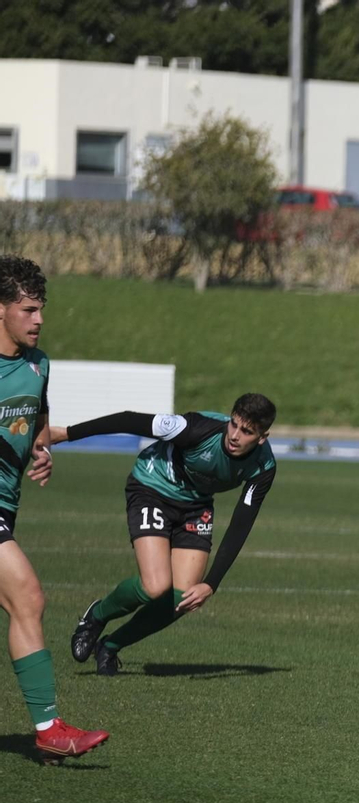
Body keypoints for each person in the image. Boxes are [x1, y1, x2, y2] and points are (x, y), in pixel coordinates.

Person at [49, 394, 278, 676]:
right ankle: (96, 616)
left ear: (262, 437)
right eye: (233, 424)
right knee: (155, 586)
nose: (234, 435)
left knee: (184, 597)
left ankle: (110, 646)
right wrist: (66, 433)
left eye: (246, 432)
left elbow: (241, 524)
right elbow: (128, 419)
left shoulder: (264, 468)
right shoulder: (196, 427)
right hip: (152, 488)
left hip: (196, 506)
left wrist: (212, 584)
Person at [0, 255, 108, 760]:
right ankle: (49, 729)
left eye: (41, 309)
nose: (38, 320)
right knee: (28, 596)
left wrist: (40, 452)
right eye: (27, 310)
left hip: (7, 503)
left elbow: (37, 423)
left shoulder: (39, 365)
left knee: (24, 602)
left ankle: (48, 729)